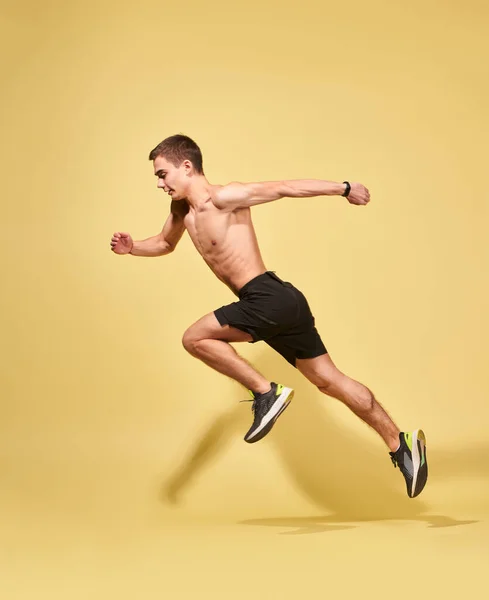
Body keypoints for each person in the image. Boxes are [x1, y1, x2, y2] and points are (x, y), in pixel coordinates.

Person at [110, 134, 428, 499]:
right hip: (276, 302)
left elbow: (284, 188)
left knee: (194, 338)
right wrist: (133, 248)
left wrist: (344, 188)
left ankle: (266, 392)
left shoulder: (224, 198)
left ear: (187, 166)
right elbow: (165, 243)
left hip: (268, 296)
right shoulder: (183, 211)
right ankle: (401, 445)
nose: (160, 183)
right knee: (328, 381)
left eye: (163, 174)